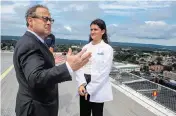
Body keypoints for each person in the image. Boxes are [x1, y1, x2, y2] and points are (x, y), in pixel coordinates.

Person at [13, 4, 91, 116]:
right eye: (45, 19)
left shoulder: (34, 41)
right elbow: (36, 78)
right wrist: (69, 67)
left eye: (50, 19)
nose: (49, 22)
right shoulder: (30, 44)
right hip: (36, 109)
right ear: (30, 21)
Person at [75, 19, 113, 116]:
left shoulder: (107, 49)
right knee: (84, 113)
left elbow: (104, 72)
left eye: (95, 29)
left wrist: (90, 89)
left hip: (98, 85)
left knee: (97, 113)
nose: (92, 32)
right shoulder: (86, 47)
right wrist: (81, 84)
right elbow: (79, 66)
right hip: (84, 82)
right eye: (91, 29)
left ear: (103, 31)